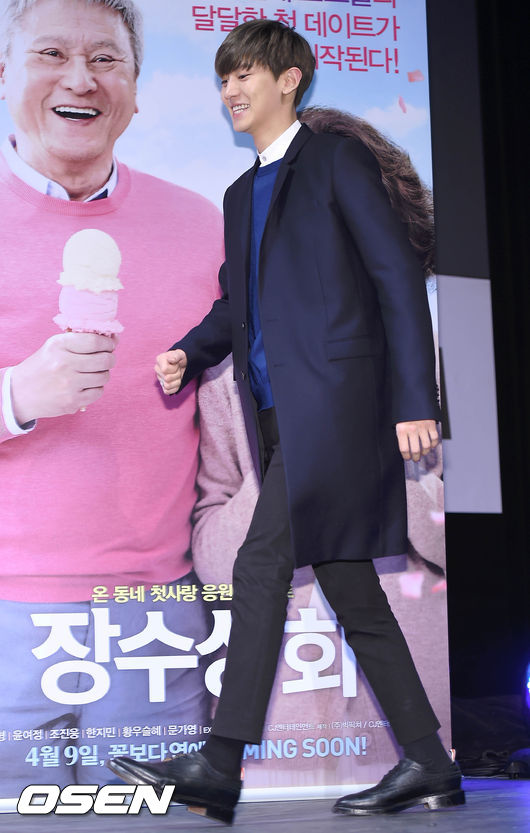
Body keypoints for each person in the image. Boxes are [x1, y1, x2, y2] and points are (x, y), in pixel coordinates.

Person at [108, 20, 464, 824]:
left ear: (290, 79)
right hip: (277, 418)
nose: (231, 90)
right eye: (223, 78)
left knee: (263, 562)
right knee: (352, 591)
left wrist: (417, 399)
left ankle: (219, 762)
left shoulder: (336, 160)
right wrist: (190, 350)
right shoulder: (241, 195)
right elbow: (236, 303)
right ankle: (432, 763)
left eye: (245, 74)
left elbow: (396, 277)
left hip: (339, 410)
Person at [0, 0, 225, 795]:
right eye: (51, 54)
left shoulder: (202, 226)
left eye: (106, 60)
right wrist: (16, 393)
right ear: (3, 72)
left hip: (154, 618)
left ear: (134, 89)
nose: (80, 78)